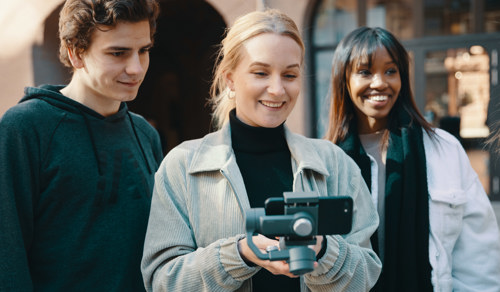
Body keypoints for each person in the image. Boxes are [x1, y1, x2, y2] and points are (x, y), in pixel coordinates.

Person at [141, 9, 381, 292]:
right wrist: (240, 253)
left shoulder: (335, 164)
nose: (277, 89)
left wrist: (322, 249)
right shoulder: (182, 166)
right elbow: (163, 281)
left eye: (290, 75)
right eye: (260, 73)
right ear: (230, 79)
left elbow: (367, 273)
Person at [0, 0, 162, 291]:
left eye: (144, 50)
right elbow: (6, 254)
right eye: (118, 53)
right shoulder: (25, 127)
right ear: (76, 53)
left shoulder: (145, 134)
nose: (136, 68)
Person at [324, 26, 500, 292]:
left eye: (391, 71)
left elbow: (478, 255)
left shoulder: (444, 150)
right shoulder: (325, 162)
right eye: (365, 71)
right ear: (344, 80)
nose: (380, 82)